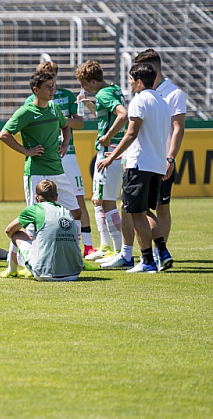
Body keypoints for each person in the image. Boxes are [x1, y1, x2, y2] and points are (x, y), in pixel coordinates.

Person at [0, 71, 81, 275]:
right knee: (33, 220)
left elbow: (66, 126)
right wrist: (27, 151)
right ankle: (16, 266)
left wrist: (65, 144)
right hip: (35, 171)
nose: (52, 90)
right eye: (48, 87)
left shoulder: (54, 108)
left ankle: (71, 253)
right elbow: (4, 135)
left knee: (75, 211)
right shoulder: (26, 111)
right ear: (36, 90)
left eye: (53, 85)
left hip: (57, 170)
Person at [96, 63, 173, 273]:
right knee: (146, 212)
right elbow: (148, 135)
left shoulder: (139, 100)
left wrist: (111, 157)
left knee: (136, 213)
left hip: (139, 165)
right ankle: (163, 253)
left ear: (139, 81)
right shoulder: (162, 102)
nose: (129, 83)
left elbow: (131, 133)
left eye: (131, 79)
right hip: (156, 164)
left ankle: (147, 261)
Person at [31, 61, 94, 256]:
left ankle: (88, 246)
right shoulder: (31, 100)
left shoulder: (66, 96)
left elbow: (79, 123)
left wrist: (57, 119)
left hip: (68, 154)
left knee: (78, 198)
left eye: (52, 75)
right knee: (40, 200)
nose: (50, 79)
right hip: (45, 157)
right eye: (45, 75)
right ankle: (41, 245)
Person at [74, 60, 128, 264]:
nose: (84, 87)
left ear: (93, 81)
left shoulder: (103, 94)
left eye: (85, 83)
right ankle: (106, 246)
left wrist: (107, 136)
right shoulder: (113, 89)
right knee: (98, 200)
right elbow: (106, 115)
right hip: (111, 152)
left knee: (106, 201)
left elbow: (123, 116)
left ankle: (118, 249)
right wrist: (88, 104)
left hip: (108, 152)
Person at [132, 49, 186, 246]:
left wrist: (170, 158)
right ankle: (136, 252)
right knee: (135, 207)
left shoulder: (173, 93)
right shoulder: (141, 92)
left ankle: (159, 252)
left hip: (161, 159)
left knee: (162, 206)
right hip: (141, 159)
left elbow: (178, 129)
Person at [2, 180, 83, 282]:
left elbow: (9, 230)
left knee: (17, 233)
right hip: (74, 273)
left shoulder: (34, 209)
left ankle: (11, 272)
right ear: (56, 197)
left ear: (36, 198)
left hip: (44, 273)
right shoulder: (67, 212)